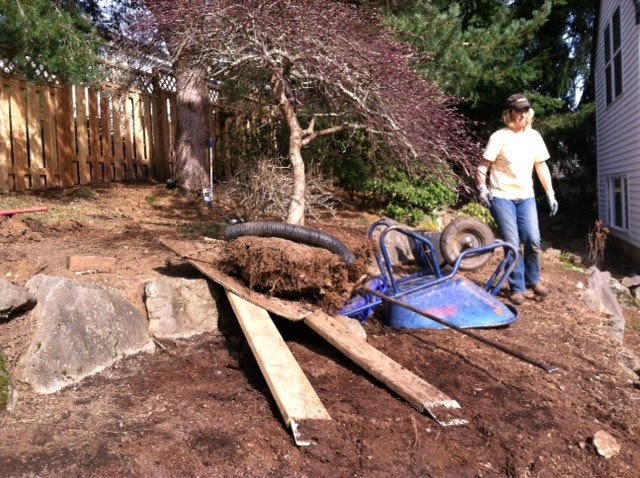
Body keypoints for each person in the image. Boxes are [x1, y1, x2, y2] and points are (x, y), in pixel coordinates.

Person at [475, 93, 558, 306]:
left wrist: (550, 193)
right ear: (509, 112)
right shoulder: (499, 137)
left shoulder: (534, 137)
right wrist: (482, 188)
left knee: (533, 239)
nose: (522, 115)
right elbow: (483, 166)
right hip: (502, 196)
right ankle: (517, 287)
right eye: (518, 110)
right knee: (512, 243)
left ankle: (533, 280)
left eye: (525, 110)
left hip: (526, 196)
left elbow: (541, 166)